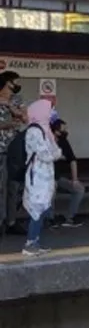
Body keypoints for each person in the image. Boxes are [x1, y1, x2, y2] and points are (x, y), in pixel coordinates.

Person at [20, 100, 61, 256]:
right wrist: (55, 153)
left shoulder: (45, 130)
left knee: (43, 208)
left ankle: (35, 241)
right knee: (37, 209)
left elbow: (53, 150)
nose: (52, 114)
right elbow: (47, 154)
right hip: (37, 175)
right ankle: (30, 244)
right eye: (50, 110)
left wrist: (55, 152)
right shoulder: (34, 131)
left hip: (44, 176)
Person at [0, 71, 27, 235]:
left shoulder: (17, 100)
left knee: (13, 186)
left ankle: (11, 221)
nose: (17, 85)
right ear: (7, 82)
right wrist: (9, 123)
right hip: (0, 148)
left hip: (14, 147)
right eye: (15, 82)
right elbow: (10, 123)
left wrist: (10, 106)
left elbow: (25, 118)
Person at [49, 119, 85, 228]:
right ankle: (50, 219)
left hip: (58, 178)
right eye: (63, 129)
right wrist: (58, 157)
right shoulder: (46, 141)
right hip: (45, 179)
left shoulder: (63, 141)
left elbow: (72, 160)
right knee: (51, 189)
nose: (66, 131)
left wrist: (74, 180)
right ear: (55, 131)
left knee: (79, 189)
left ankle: (70, 218)